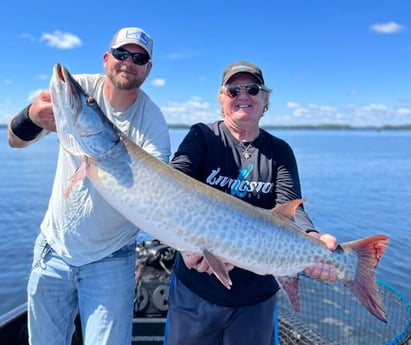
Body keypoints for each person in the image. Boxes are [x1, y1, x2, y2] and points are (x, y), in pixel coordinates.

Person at [8, 27, 170, 345]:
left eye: (139, 58)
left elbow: (158, 194)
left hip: (112, 258)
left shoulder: (152, 121)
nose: (128, 62)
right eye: (122, 54)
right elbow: (14, 140)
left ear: (148, 69)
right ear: (106, 58)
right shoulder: (80, 89)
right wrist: (32, 116)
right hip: (53, 249)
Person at [164, 61, 338, 345]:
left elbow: (291, 207)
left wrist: (312, 237)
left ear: (264, 99)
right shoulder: (203, 136)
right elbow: (172, 183)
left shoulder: (279, 151)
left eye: (252, 89)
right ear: (222, 99)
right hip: (194, 293)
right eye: (233, 90)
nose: (243, 95)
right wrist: (184, 242)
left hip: (255, 300)